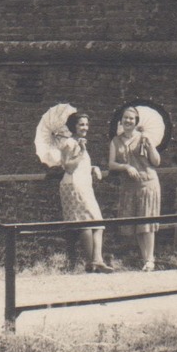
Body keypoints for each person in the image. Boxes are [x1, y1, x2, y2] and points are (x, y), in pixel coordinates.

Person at [57, 112, 113, 272]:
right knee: (87, 223)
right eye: (81, 124)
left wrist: (94, 167)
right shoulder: (69, 143)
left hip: (84, 185)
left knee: (98, 222)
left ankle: (96, 261)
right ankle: (93, 262)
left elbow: (81, 166)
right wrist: (81, 150)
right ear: (74, 126)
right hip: (74, 185)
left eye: (86, 124)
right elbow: (68, 167)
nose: (85, 127)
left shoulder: (78, 143)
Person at [108, 105, 163, 271]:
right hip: (130, 186)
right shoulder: (116, 141)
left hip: (147, 183)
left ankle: (150, 259)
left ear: (136, 122)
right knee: (138, 223)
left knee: (147, 222)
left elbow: (156, 162)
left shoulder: (143, 138)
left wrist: (150, 145)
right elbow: (111, 164)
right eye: (125, 118)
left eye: (131, 119)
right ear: (121, 121)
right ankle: (145, 258)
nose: (128, 121)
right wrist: (126, 167)